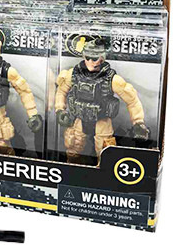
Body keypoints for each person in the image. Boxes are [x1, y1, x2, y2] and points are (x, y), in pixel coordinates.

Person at [55, 34, 150, 162]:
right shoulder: (73, 74)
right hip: (79, 118)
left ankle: (102, 171)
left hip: (102, 120)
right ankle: (71, 169)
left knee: (105, 151)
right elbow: (61, 91)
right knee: (73, 148)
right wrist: (60, 110)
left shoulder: (112, 80)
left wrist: (138, 123)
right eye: (87, 57)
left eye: (94, 58)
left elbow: (132, 100)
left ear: (102, 58)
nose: (90, 61)